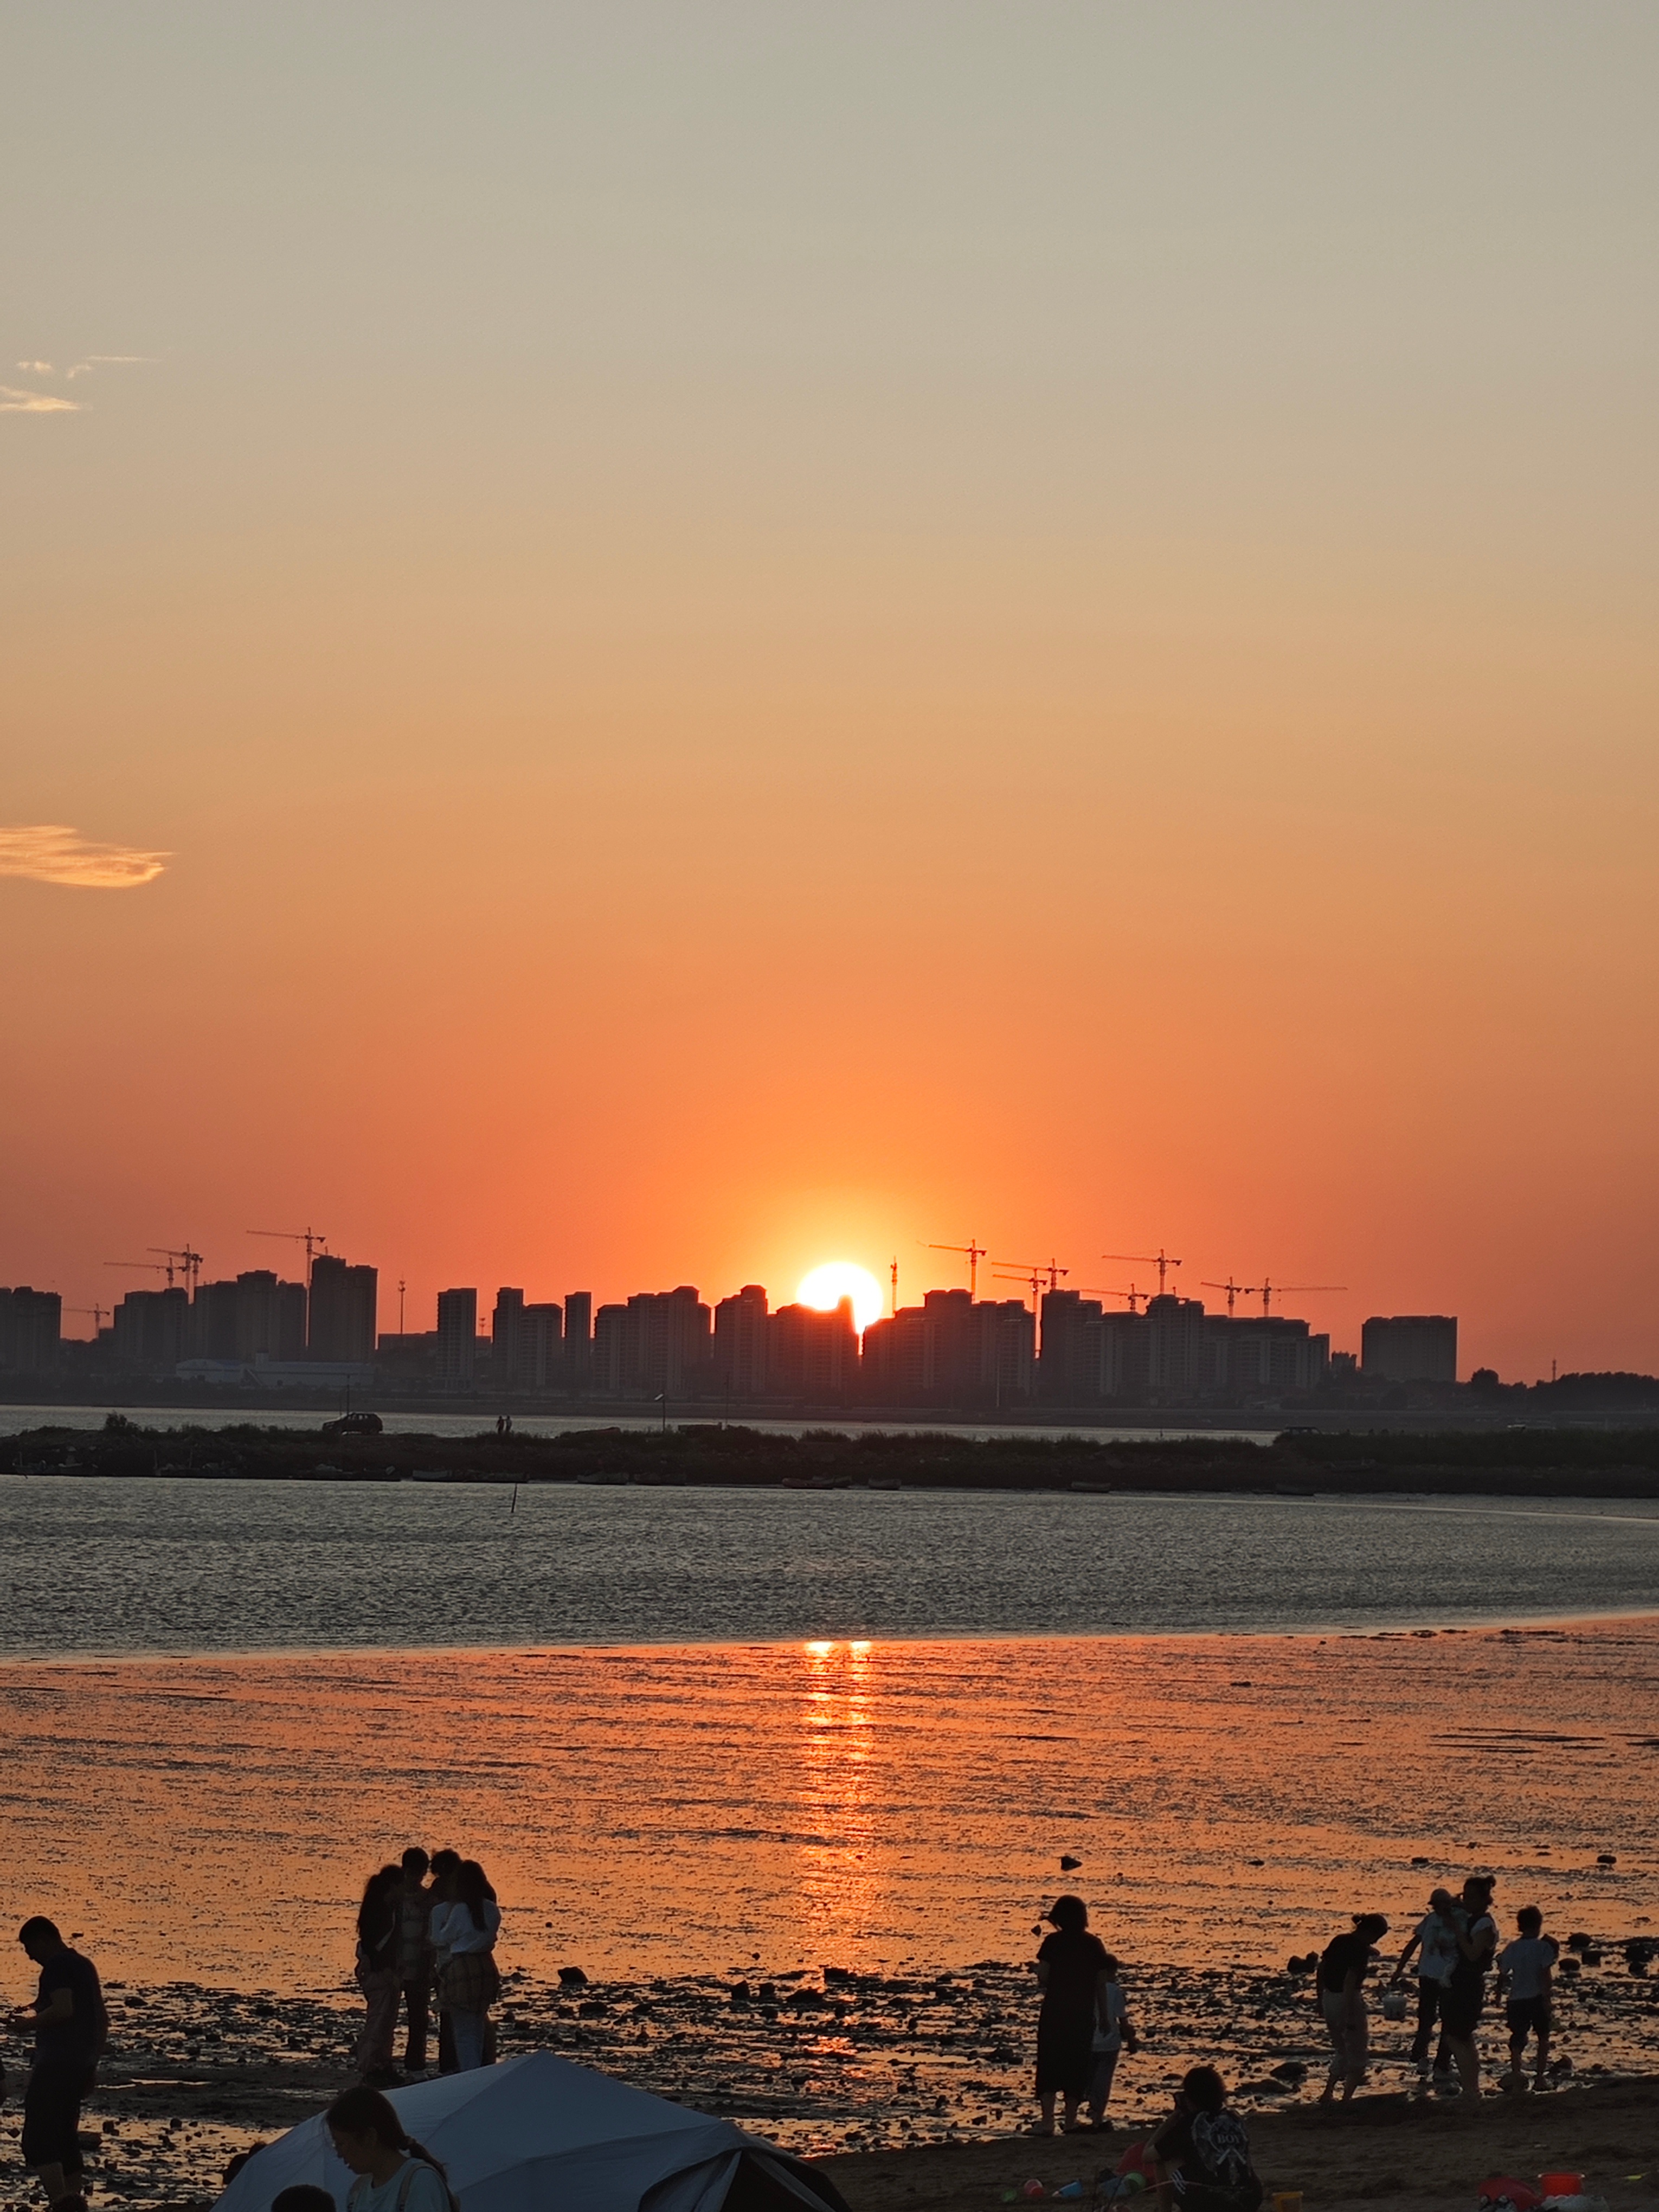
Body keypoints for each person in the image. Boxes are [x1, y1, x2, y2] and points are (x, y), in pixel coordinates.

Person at [5, 1918, 109, 2212]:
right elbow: (101, 2019)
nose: (29, 1956)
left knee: (37, 2141)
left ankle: (60, 2204)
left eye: (29, 1948)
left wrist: (27, 2026)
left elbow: (64, 2009)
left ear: (44, 1939)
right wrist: (92, 2064)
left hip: (56, 2066)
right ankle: (74, 2203)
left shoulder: (57, 1967)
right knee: (65, 2138)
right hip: (79, 2065)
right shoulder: (84, 1965)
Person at [1032, 1894, 1111, 2136]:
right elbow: (1101, 1983)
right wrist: (1105, 2016)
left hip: (1056, 2010)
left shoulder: (1052, 1942)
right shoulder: (1094, 1944)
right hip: (1082, 2012)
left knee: (1049, 2063)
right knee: (1077, 2064)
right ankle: (1070, 2121)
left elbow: (1043, 1977)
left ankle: (1047, 2122)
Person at [1144, 2065, 1263, 2212]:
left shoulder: (1190, 2124)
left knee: (1163, 2159)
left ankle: (1165, 2211)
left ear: (1190, 2098)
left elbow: (1147, 2156)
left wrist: (1172, 2121)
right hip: (1250, 2198)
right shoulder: (1234, 2119)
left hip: (1206, 2201)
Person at [325, 2086, 454, 2212]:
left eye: (341, 2143)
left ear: (370, 2137)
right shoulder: (358, 2191)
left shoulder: (420, 2181)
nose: (339, 2154)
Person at [429, 1860, 500, 2073]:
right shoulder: (491, 1909)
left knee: (463, 2031)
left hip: (462, 1968)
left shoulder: (459, 1910)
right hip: (486, 1967)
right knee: (478, 2025)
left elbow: (441, 1939)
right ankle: (479, 2070)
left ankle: (470, 2075)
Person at [1316, 1913, 1388, 2105]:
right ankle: (1346, 2098)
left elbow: (1322, 1968)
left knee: (1341, 2049)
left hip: (1329, 1997)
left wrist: (1319, 1998)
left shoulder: (1340, 1941)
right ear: (1371, 1933)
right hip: (1348, 2001)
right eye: (1378, 1936)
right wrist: (1349, 2012)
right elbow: (1350, 1980)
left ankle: (1328, 2092)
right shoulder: (1359, 1952)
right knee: (1358, 2053)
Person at [1441, 1875, 1499, 2104]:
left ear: (1484, 1899)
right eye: (1465, 1895)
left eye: (1472, 1897)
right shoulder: (1472, 1919)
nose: (1467, 1900)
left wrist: (1457, 1929)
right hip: (1462, 1982)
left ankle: (1470, 2087)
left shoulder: (1484, 1923)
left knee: (1455, 2036)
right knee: (1462, 2037)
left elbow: (1474, 1953)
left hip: (1468, 1984)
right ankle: (1471, 2087)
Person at [1390, 1888, 1461, 2075]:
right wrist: (1400, 1968)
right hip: (1428, 1975)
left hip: (1449, 1978)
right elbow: (1413, 1943)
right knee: (1426, 2019)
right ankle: (1421, 2057)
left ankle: (1442, 2063)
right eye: (1436, 1906)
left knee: (1448, 2021)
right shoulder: (1429, 1921)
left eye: (1443, 1905)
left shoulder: (1459, 1920)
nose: (1439, 1909)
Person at [352, 1866, 404, 2087]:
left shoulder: (383, 1907)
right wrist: (387, 1971)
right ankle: (370, 2064)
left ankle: (381, 2063)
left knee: (385, 2020)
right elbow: (375, 1947)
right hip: (380, 1973)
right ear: (393, 1886)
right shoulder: (380, 1910)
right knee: (379, 2020)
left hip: (381, 1972)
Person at [1498, 1905, 1558, 2092]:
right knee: (1543, 2036)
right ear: (1539, 1924)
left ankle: (1517, 2074)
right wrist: (1548, 1997)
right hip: (1536, 1997)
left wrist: (1498, 1994)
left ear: (1519, 1926)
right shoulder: (1543, 1948)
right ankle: (1540, 2077)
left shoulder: (1512, 1947)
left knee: (1517, 2037)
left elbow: (1503, 1973)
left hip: (1516, 1998)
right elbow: (1545, 1973)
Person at [1083, 1952, 1139, 2132]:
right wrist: (1131, 2040)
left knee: (1089, 2077)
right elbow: (1122, 2020)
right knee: (1104, 2080)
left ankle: (1089, 2103)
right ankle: (1098, 2117)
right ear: (1109, 1972)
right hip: (1110, 2043)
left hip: (1089, 2042)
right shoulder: (1114, 1991)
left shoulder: (1087, 1988)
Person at [394, 1850, 435, 2078]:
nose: (417, 1877)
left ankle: (415, 2064)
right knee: (388, 2017)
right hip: (397, 1966)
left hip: (418, 1966)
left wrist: (429, 1966)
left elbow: (431, 1935)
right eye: (413, 1872)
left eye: (421, 1872)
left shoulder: (428, 1901)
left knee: (419, 2019)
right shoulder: (395, 1899)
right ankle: (385, 2062)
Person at [426, 1851, 462, 2075]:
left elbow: (436, 1934)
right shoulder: (473, 1890)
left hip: (449, 1962)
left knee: (450, 2015)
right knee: (456, 2016)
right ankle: (452, 2063)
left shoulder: (443, 1892)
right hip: (456, 1962)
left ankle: (450, 2064)